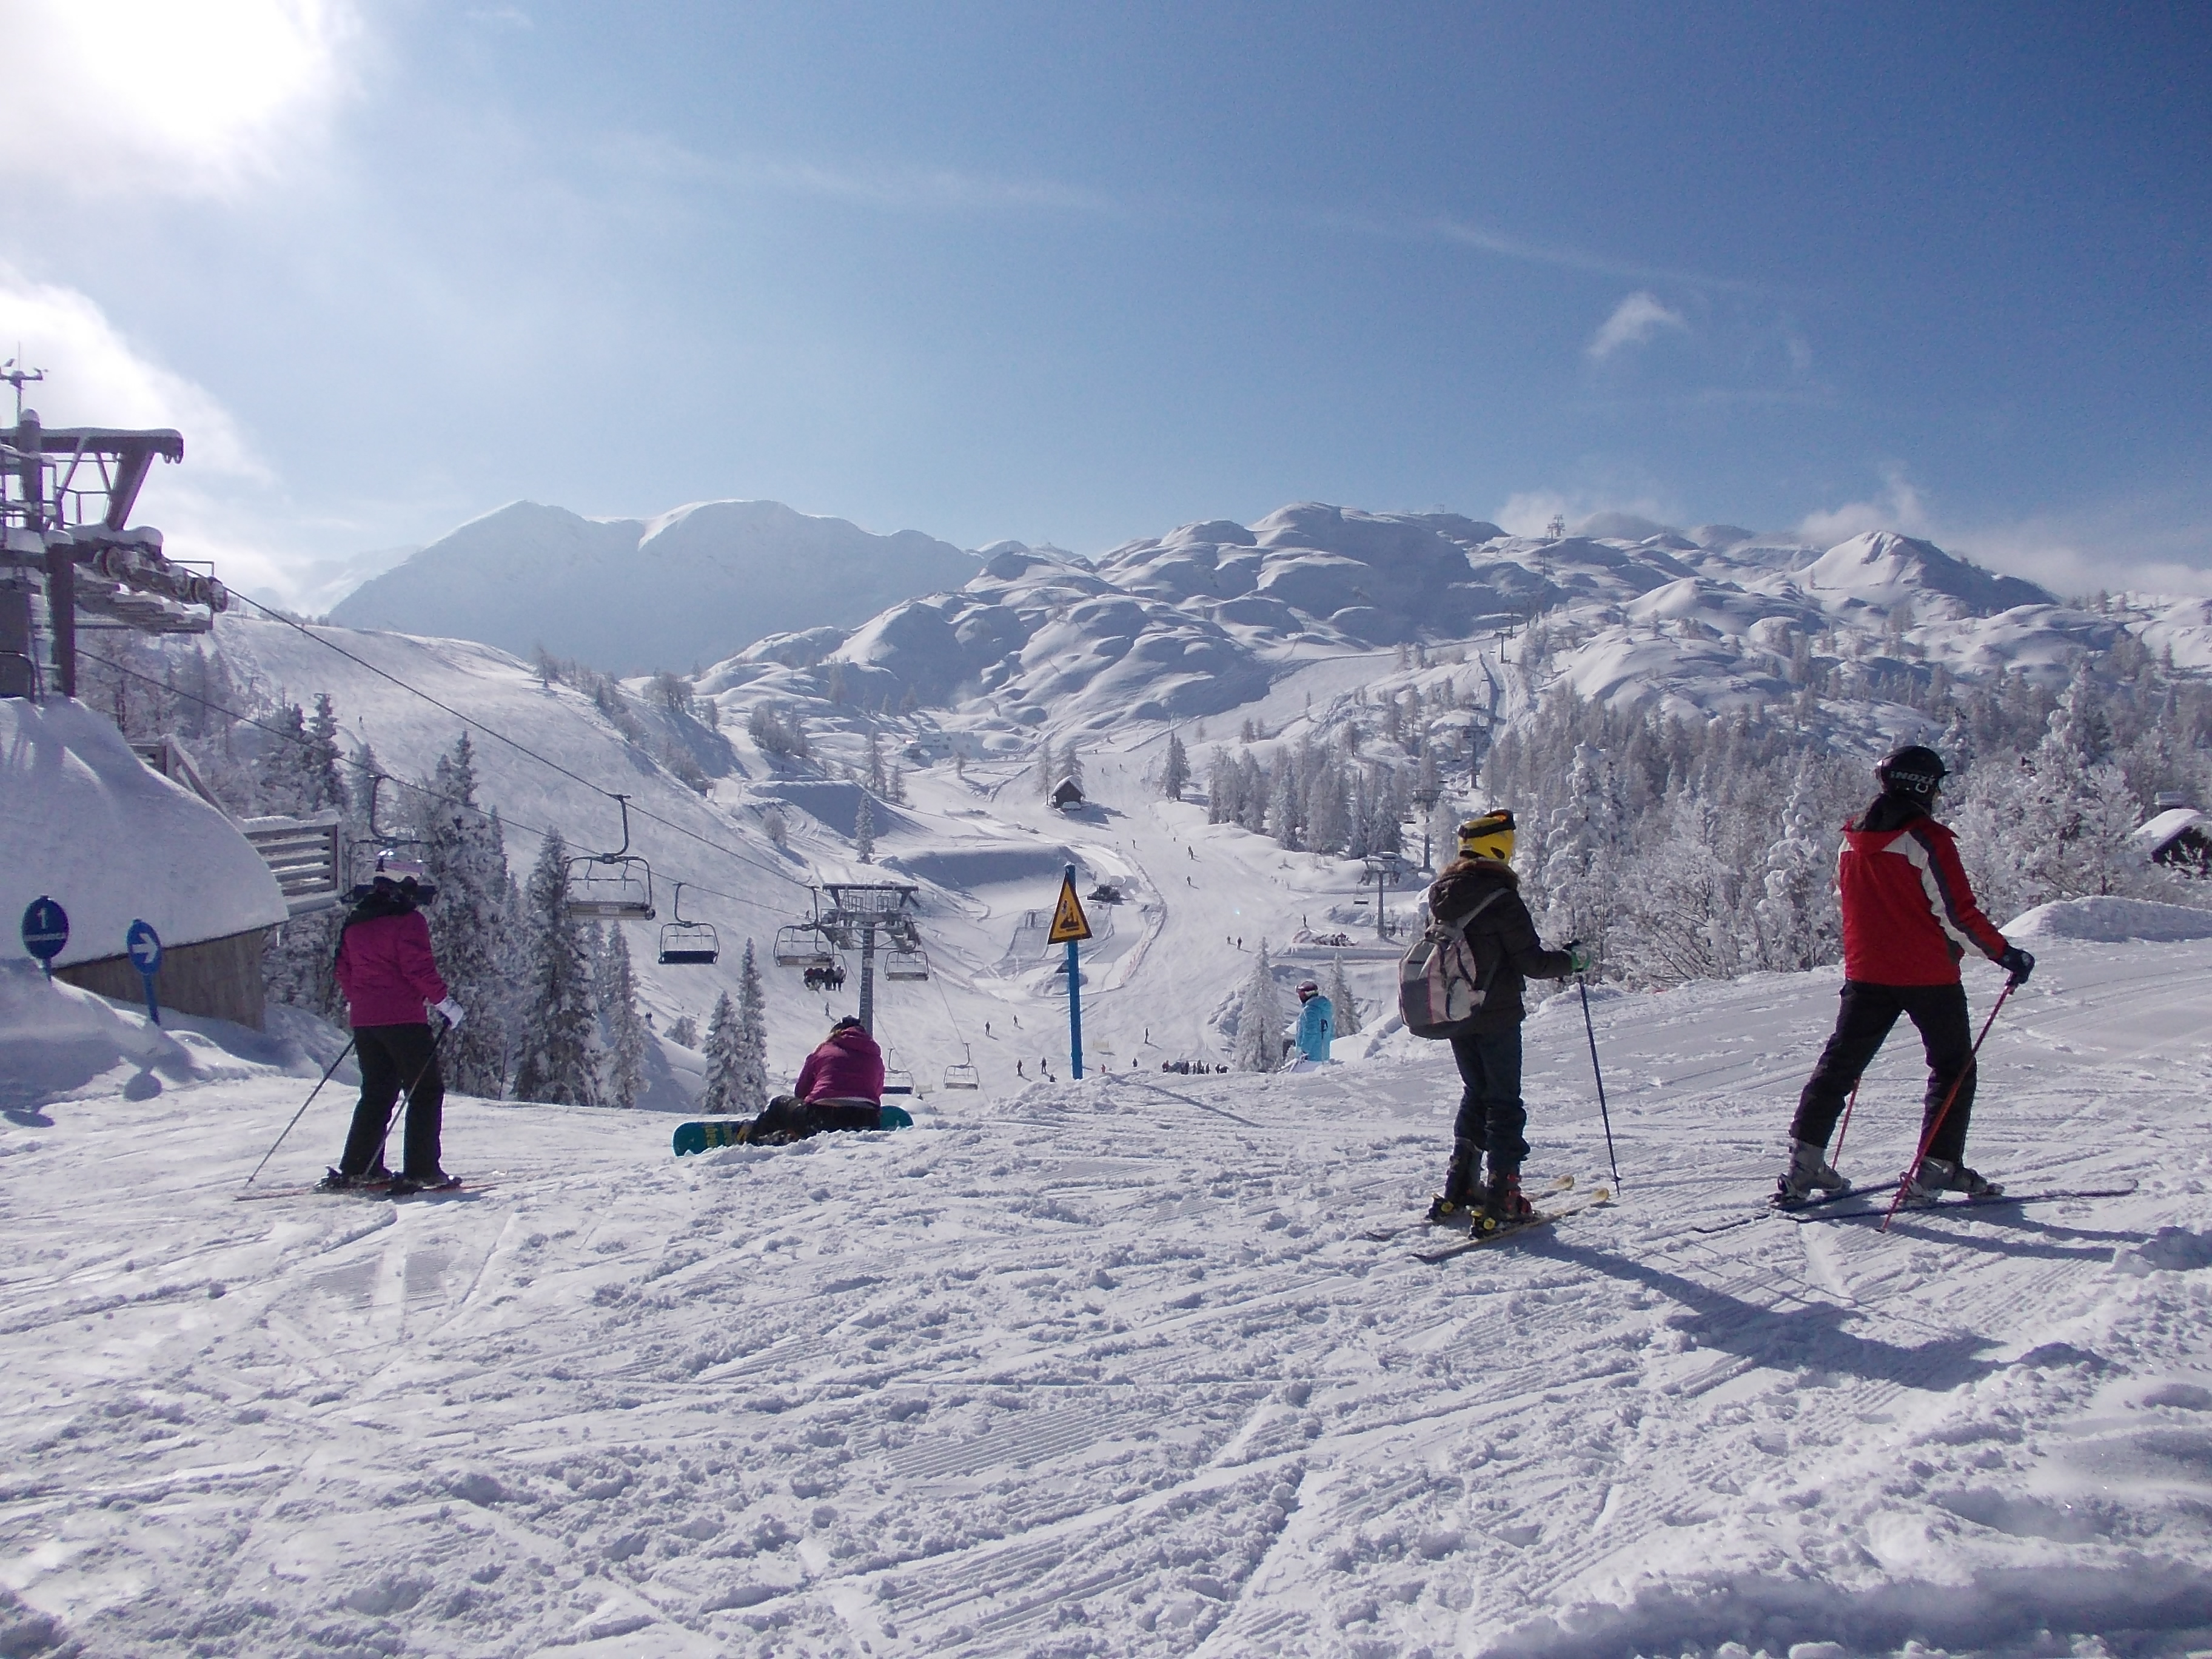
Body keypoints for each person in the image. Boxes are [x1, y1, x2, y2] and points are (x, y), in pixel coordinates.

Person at [1775, 745, 2034, 1206]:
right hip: (1928, 976)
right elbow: (1957, 914)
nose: (1938, 792)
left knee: (1840, 1067)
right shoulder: (1927, 840)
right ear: (1921, 786)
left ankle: (1804, 1164)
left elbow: (1853, 904)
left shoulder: (1850, 838)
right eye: (1936, 783)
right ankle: (1938, 1167)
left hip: (1866, 973)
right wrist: (2005, 955)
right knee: (1953, 1068)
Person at [1423, 810, 1586, 1228]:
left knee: (1475, 1094)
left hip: (1459, 1013)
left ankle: (1461, 1184)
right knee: (1504, 1103)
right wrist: (1573, 960)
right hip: (1497, 1015)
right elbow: (1532, 963)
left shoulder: (1442, 894)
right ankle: (1503, 1195)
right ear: (1499, 846)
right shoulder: (1501, 898)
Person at [322, 854, 464, 1193]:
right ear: (402, 885)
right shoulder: (408, 922)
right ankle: (421, 1169)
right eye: (412, 884)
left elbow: (343, 970)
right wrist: (446, 1003)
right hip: (404, 1018)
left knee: (377, 1091)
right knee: (425, 1091)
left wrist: (364, 1000)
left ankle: (360, 1167)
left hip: (366, 1021)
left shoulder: (356, 921)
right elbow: (418, 970)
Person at [742, 1016, 885, 1142]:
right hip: (868, 1119)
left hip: (823, 1117)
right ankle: (790, 1136)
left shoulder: (825, 1050)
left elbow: (801, 1091)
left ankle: (753, 1138)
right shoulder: (876, 1058)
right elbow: (876, 1093)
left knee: (779, 1105)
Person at [1292, 979, 1334, 1065]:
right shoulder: (1325, 1009)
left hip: (1310, 1058)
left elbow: (1311, 1032)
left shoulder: (1310, 1010)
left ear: (1305, 995)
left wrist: (1304, 1052)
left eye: (1301, 994)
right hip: (1323, 1056)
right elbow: (1331, 1032)